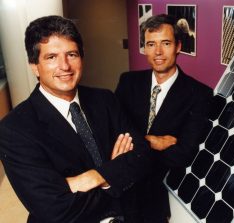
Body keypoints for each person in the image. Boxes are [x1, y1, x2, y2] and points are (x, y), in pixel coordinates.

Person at [0, 15, 152, 223]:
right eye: (51, 57)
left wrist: (93, 177)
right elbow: (54, 208)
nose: (65, 66)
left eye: (71, 54)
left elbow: (142, 155)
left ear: (82, 57)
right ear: (34, 66)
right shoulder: (14, 129)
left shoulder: (105, 99)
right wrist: (115, 173)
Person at [115, 14, 213, 223]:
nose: (157, 52)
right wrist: (152, 141)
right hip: (120, 190)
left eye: (165, 43)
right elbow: (114, 135)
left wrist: (134, 145)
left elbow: (183, 154)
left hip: (157, 195)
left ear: (178, 46)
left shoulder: (199, 94)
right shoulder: (128, 82)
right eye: (151, 44)